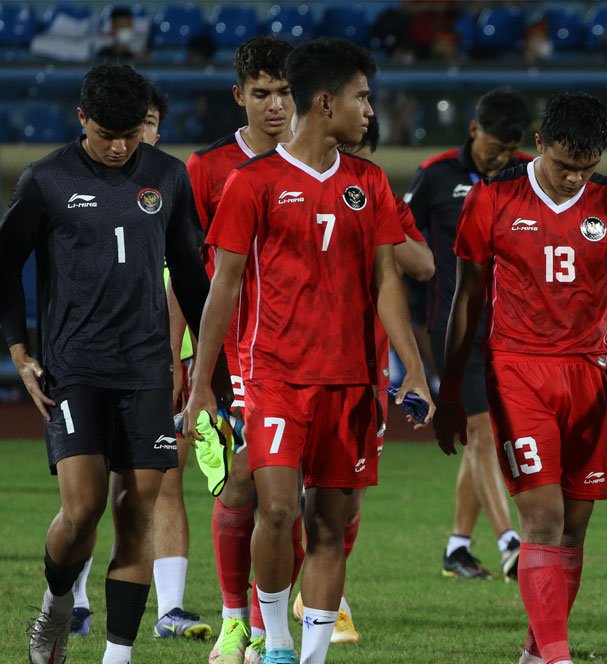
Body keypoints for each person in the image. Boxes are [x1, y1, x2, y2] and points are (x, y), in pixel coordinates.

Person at [183, 37, 434, 664]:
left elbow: (386, 284)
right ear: (326, 103)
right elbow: (224, 287)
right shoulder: (252, 183)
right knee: (274, 508)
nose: (370, 110)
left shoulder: (369, 183)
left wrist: (415, 372)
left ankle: (312, 655)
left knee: (329, 523)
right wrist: (201, 382)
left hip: (351, 381)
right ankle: (273, 643)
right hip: (273, 376)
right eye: (361, 97)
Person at [434, 92, 607, 664]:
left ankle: (536, 647)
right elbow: (467, 298)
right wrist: (451, 387)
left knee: (574, 527)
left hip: (589, 377)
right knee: (543, 518)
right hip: (517, 372)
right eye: (563, 165)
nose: (574, 178)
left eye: (586, 167)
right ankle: (558, 656)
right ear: (541, 144)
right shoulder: (493, 199)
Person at [0, 63, 223, 664]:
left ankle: (116, 656)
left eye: (130, 133)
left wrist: (215, 377)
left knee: (137, 509)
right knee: (84, 507)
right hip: (72, 369)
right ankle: (54, 608)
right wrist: (19, 352)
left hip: (148, 368)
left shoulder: (169, 177)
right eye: (107, 134)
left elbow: (195, 282)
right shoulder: (46, 180)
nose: (120, 146)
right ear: (81, 120)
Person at [66, 84, 214, 644]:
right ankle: (74, 598)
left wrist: (193, 362)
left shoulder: (171, 184)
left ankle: (169, 609)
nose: (140, 135)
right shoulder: (78, 184)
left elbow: (187, 279)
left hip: (162, 358)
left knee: (162, 484)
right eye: (130, 125)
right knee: (91, 494)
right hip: (96, 358)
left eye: (148, 123)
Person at [290, 114, 435, 646]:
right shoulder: (287, 187)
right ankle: (260, 620)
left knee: (343, 500)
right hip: (289, 365)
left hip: (362, 369)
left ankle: (323, 595)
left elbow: (423, 265)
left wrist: (376, 222)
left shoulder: (372, 194)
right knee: (278, 495)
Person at [182, 36, 302, 664]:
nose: (276, 105)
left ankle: (262, 624)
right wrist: (187, 365)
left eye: (285, 92)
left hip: (304, 358)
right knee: (239, 491)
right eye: (263, 93)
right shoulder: (207, 169)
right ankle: (240, 621)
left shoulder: (321, 165)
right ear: (240, 96)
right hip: (233, 356)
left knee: (285, 497)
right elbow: (188, 271)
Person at [405, 87, 532, 581]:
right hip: (453, 327)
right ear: (474, 129)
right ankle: (509, 541)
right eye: (494, 147)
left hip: (515, 326)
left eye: (509, 150)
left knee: (488, 435)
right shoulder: (436, 175)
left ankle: (458, 546)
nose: (501, 158)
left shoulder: (526, 174)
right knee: (481, 430)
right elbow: (402, 240)